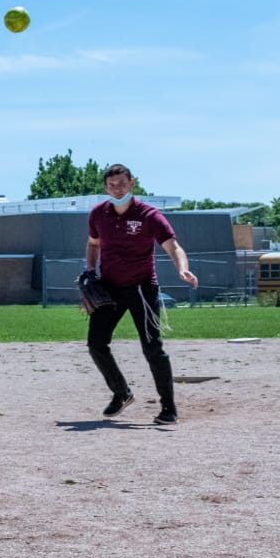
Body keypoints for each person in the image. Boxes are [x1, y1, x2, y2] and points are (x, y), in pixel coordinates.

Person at [82, 163, 198, 425]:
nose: (117, 188)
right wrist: (90, 268)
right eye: (112, 185)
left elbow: (173, 247)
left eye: (122, 183)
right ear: (106, 188)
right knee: (96, 344)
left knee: (152, 348)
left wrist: (183, 269)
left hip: (141, 289)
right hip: (108, 290)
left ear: (132, 183)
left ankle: (168, 407)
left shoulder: (149, 215)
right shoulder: (99, 214)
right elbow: (93, 244)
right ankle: (121, 393)